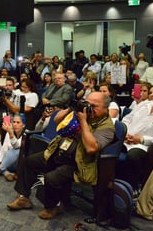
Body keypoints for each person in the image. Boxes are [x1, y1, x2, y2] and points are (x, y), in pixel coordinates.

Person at [7, 92, 115, 220]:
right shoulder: (82, 112)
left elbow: (91, 148)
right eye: (87, 103)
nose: (88, 108)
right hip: (60, 151)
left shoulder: (107, 127)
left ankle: (54, 207)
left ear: (106, 108)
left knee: (51, 178)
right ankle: (23, 197)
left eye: (94, 106)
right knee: (29, 161)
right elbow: (56, 119)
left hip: (78, 164)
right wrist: (72, 108)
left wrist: (83, 121)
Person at [0, 114, 26, 181]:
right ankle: (5, 172)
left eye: (18, 122)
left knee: (15, 150)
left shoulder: (25, 135)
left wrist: (11, 134)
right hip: (6, 162)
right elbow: (3, 149)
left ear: (23, 125)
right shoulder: (9, 132)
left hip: (17, 163)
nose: (15, 124)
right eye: (14, 122)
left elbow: (16, 145)